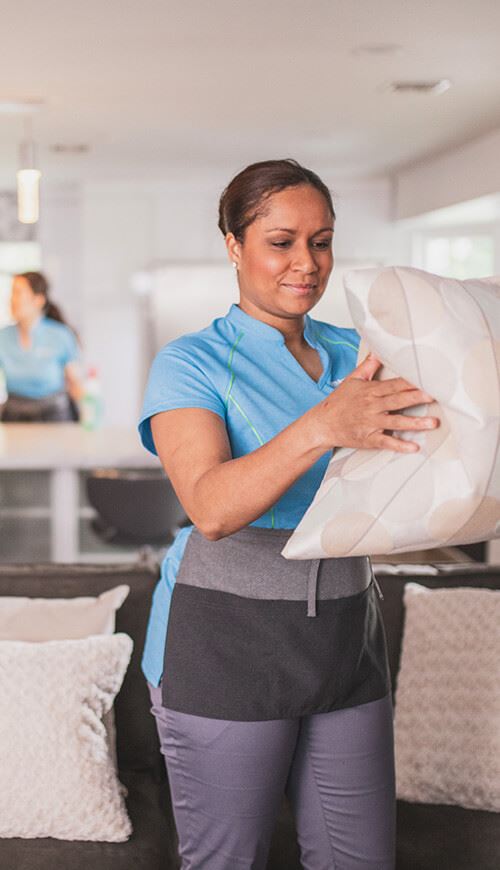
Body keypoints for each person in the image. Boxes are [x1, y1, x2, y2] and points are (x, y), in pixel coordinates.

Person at [138, 159, 439, 870]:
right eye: (281, 241)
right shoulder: (191, 363)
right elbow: (210, 508)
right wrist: (322, 425)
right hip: (224, 645)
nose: (306, 263)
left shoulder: (357, 353)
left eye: (322, 241)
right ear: (234, 245)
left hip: (346, 641)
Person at [0, 271, 82, 422]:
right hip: (13, 415)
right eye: (11, 293)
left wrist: (88, 420)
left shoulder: (61, 335)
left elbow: (76, 384)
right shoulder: (3, 337)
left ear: (38, 300)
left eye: (18, 293)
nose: (11, 300)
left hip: (54, 415)